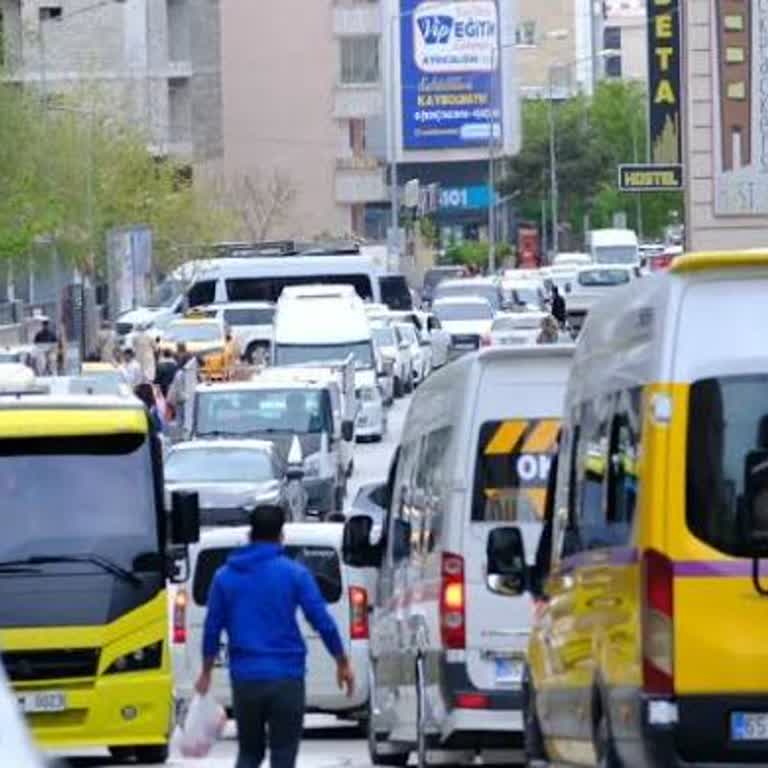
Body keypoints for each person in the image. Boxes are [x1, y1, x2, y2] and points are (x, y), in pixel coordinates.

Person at [196, 505, 354, 768]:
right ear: (281, 536)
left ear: (249, 535)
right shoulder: (294, 574)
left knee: (249, 753)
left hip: (246, 679)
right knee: (283, 755)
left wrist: (206, 671)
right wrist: (342, 661)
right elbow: (322, 621)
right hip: (287, 678)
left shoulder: (224, 577)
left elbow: (212, 628)